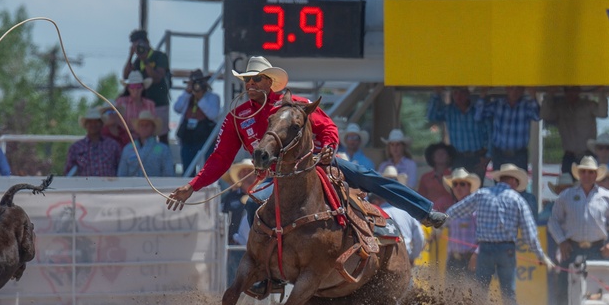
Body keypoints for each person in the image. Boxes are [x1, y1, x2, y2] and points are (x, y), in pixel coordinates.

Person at [165, 56, 447, 231]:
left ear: (269, 82)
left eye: (256, 79)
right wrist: (193, 185)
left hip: (313, 163)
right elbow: (220, 158)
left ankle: (423, 210)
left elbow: (328, 128)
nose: (250, 85)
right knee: (252, 208)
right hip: (273, 176)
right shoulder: (237, 117)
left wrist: (328, 148)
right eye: (246, 80)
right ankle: (265, 272)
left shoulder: (294, 104)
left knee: (366, 176)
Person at [446, 162, 555, 305]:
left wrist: (437, 222)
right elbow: (529, 233)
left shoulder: (482, 194)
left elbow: (454, 211)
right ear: (513, 181)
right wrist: (541, 256)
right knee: (508, 294)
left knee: (480, 292)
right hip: (506, 250)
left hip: (485, 250)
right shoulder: (517, 199)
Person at [548, 155, 609, 305]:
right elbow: (553, 221)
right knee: (564, 291)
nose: (587, 175)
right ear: (579, 174)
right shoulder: (566, 196)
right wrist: (562, 241)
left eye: (591, 172)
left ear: (596, 175)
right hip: (572, 248)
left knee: (598, 293)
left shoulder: (607, 197)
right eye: (584, 171)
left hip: (597, 250)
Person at [540, 87, 608, 174]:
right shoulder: (560, 107)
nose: (571, 93)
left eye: (574, 90)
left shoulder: (588, 105)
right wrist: (549, 95)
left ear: (579, 91)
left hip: (587, 155)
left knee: (589, 185)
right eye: (567, 90)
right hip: (569, 156)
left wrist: (601, 94)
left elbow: (603, 113)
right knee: (566, 185)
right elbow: (544, 115)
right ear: (564, 92)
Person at [426, 87, 490, 178]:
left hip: (477, 157)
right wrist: (437, 95)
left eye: (461, 93)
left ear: (467, 94)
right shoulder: (449, 111)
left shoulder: (477, 111)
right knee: (458, 187)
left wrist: (487, 157)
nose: (458, 96)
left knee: (476, 187)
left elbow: (489, 134)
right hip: (458, 157)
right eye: (455, 93)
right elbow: (431, 116)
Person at [123, 29, 171, 144]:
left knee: (162, 135)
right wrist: (130, 56)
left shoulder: (159, 56)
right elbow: (126, 76)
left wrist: (145, 60)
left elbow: (156, 78)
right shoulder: (137, 61)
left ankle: (164, 159)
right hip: (145, 104)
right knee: (146, 135)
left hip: (159, 102)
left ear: (147, 42)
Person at [475, 87, 540, 172]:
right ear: (506, 89)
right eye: (511, 88)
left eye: (518, 89)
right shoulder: (498, 104)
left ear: (522, 91)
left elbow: (537, 117)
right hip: (500, 154)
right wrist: (482, 95)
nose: (514, 92)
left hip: (519, 154)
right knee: (499, 183)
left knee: (519, 183)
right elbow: (478, 116)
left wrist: (533, 96)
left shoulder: (526, 105)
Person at [372, 166, 425, 265]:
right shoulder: (407, 212)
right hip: (405, 255)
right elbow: (420, 238)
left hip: (385, 260)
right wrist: (413, 257)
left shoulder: (377, 212)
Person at [173, 69, 221, 173]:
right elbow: (177, 108)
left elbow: (213, 115)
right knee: (187, 166)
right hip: (188, 137)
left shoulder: (213, 97)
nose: (197, 86)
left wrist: (200, 99)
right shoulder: (188, 97)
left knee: (207, 167)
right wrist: (187, 92)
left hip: (205, 136)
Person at [219, 158, 257, 285]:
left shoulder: (263, 195)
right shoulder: (229, 198)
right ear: (239, 176)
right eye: (243, 172)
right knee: (233, 282)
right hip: (235, 247)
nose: (246, 175)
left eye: (249, 172)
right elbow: (221, 219)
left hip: (257, 249)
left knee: (256, 282)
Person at [441, 167, 480, 282]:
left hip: (469, 259)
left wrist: (476, 255)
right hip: (453, 259)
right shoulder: (451, 210)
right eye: (455, 184)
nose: (458, 187)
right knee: (449, 295)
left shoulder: (476, 209)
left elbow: (485, 235)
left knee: (471, 295)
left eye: (462, 184)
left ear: (469, 187)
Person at [65, 106, 121, 177]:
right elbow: (68, 173)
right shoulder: (76, 147)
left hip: (109, 186)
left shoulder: (113, 145)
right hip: (85, 186)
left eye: (96, 121)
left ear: (102, 124)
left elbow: (120, 170)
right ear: (85, 125)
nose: (93, 124)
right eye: (90, 122)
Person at [117, 110, 174, 177]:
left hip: (154, 186)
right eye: (141, 125)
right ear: (138, 128)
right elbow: (122, 174)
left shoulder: (163, 149)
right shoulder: (128, 149)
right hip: (132, 186)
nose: (144, 127)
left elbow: (168, 174)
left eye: (147, 125)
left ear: (153, 128)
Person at [115, 71, 156, 142]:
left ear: (143, 88)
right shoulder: (120, 102)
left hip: (145, 140)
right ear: (128, 88)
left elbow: (153, 126)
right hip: (123, 139)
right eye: (132, 86)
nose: (135, 89)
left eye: (138, 86)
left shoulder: (150, 104)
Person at [418, 142, 456, 211]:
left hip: (450, 213)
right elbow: (421, 198)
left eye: (443, 153)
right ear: (433, 157)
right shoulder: (425, 178)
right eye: (437, 153)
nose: (440, 155)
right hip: (430, 213)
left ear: (449, 157)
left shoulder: (454, 176)